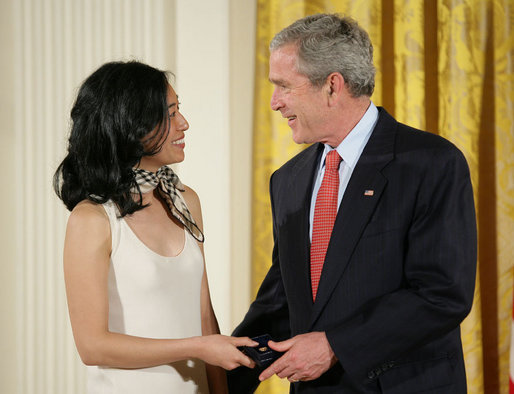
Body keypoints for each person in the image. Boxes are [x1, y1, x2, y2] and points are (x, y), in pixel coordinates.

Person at [228, 13, 477, 394]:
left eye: (283, 87)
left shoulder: (431, 162)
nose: (275, 103)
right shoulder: (288, 180)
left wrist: (334, 345)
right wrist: (217, 380)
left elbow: (441, 293)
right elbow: (281, 301)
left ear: (332, 86)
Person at [54, 61, 257, 394]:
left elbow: (206, 317)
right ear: (131, 126)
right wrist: (195, 348)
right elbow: (93, 346)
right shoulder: (92, 219)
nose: (184, 124)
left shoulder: (185, 200)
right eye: (171, 113)